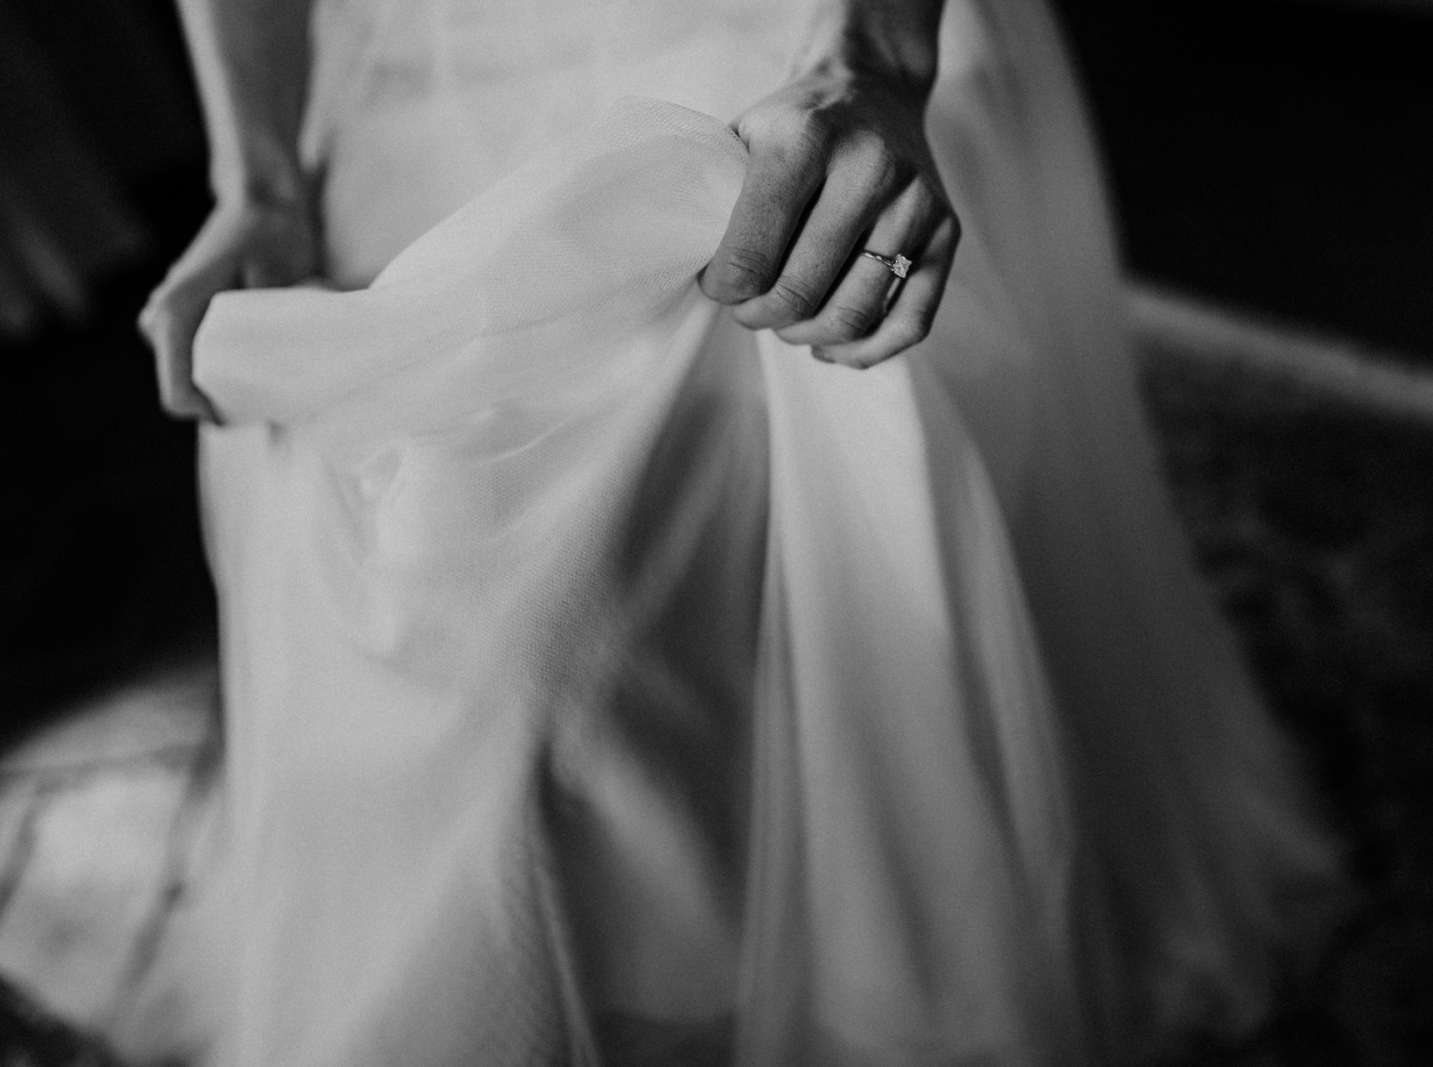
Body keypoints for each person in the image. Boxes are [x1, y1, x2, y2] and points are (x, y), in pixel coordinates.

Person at [140, 1, 1335, 1064]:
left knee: (680, 579)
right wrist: (257, 181)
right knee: (430, 611)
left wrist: (873, 54)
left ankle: (867, 959)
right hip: (413, 57)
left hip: (805, 44)